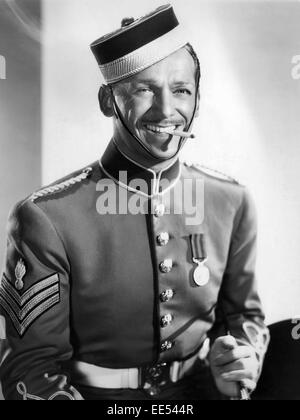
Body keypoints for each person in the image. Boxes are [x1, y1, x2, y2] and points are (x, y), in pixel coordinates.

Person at [0, 4, 269, 400]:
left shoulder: (231, 201)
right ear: (108, 102)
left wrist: (241, 355)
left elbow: (244, 315)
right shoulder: (45, 217)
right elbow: (29, 369)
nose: (166, 110)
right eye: (144, 89)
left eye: (181, 90)